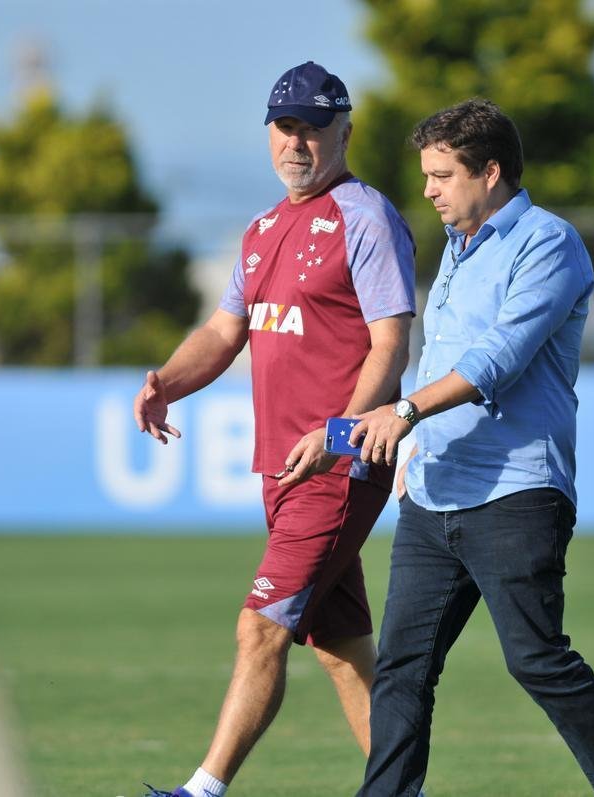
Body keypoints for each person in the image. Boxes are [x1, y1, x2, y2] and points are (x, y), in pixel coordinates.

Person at [348, 99, 594, 796]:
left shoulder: (550, 243)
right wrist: (418, 448)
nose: (429, 189)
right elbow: (441, 359)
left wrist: (403, 411)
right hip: (434, 494)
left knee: (536, 658)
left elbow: (499, 358)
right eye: (427, 174)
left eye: (442, 175)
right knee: (401, 667)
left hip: (516, 493)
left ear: (490, 172)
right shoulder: (458, 248)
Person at [135, 61, 416, 797]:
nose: (298, 143)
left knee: (260, 628)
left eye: (314, 130)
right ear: (269, 132)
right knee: (345, 649)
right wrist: (166, 381)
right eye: (286, 127)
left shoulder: (366, 217)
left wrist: (341, 429)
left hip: (337, 466)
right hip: (280, 470)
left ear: (343, 134)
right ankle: (402, 790)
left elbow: (391, 344)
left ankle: (202, 790)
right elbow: (225, 331)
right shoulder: (262, 230)